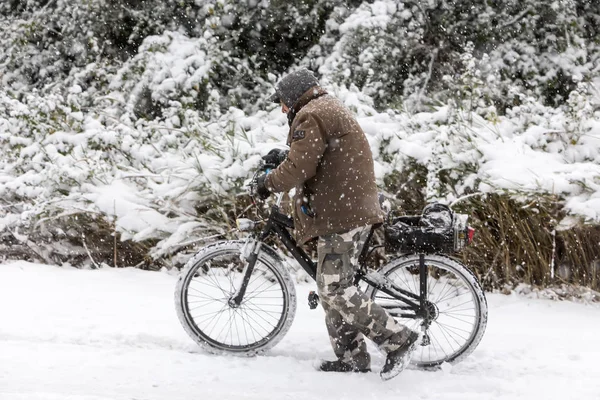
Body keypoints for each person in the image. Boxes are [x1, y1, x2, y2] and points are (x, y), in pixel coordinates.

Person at [256, 68, 419, 381]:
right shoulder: (324, 107)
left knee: (335, 287)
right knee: (330, 281)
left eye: (282, 103)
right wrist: (285, 157)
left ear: (292, 99)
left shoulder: (310, 116)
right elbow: (312, 155)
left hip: (344, 213)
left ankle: (399, 339)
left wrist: (267, 183)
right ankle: (351, 357)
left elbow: (301, 167)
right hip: (347, 205)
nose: (281, 110)